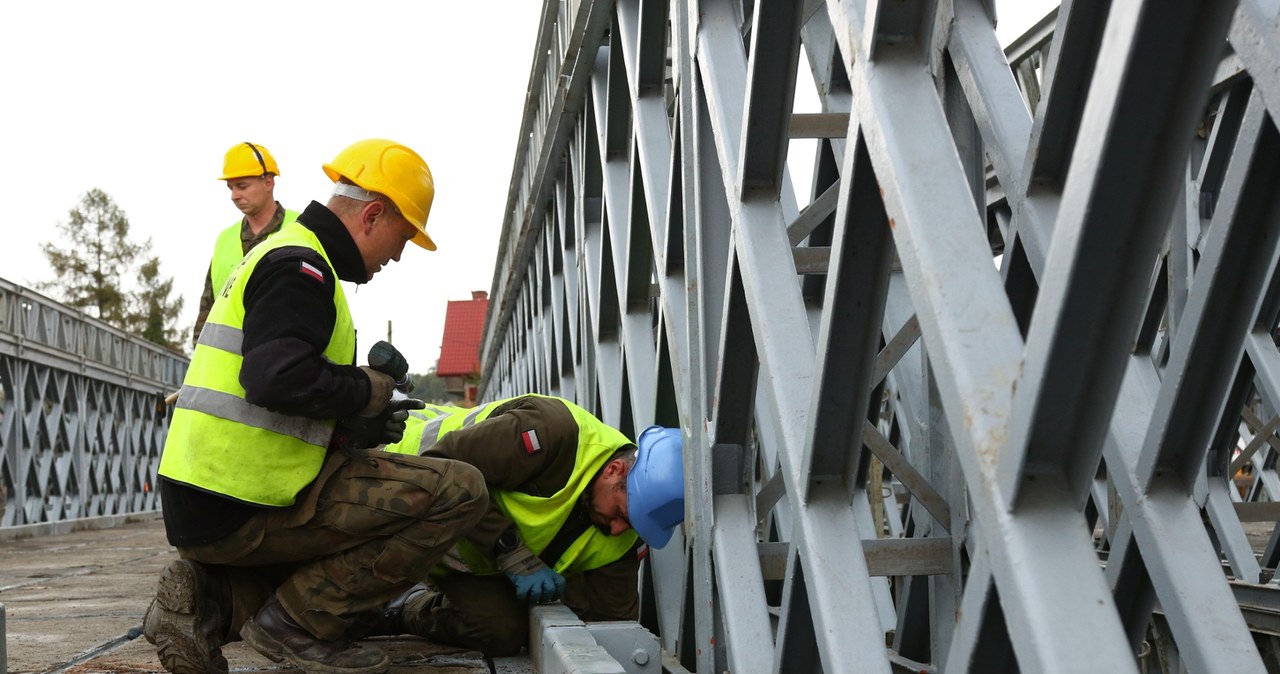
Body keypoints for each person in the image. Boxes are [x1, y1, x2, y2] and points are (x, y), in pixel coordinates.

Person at [144, 138, 489, 674]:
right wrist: (367, 389)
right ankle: (299, 626)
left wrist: (354, 422)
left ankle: (211, 600)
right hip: (242, 498)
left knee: (363, 532)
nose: (397, 256)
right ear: (373, 215)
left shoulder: (286, 254)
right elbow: (273, 376)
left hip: (208, 499)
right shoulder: (301, 267)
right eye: (400, 239)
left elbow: (278, 391)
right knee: (458, 490)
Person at [373, 394, 686, 656]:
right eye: (621, 514)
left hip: (462, 556)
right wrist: (511, 552)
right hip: (394, 494)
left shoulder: (624, 535)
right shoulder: (552, 432)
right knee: (335, 612)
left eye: (632, 526)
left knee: (501, 633)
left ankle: (407, 604)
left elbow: (617, 626)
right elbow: (444, 469)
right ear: (614, 471)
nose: (618, 530)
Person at [191, 142, 300, 347]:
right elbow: (208, 309)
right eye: (230, 188)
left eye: (242, 186)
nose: (234, 196)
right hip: (229, 368)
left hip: (284, 361)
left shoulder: (301, 229)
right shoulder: (225, 240)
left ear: (268, 182)